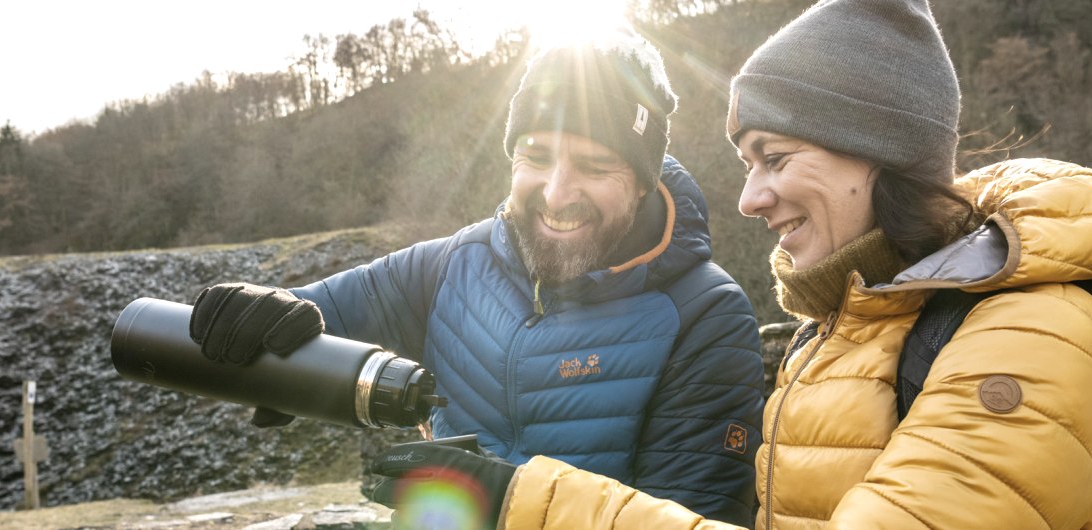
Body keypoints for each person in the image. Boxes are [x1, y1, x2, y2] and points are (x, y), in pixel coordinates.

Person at [365, 0, 1092, 529]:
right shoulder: (851, 330)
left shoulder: (1031, 342)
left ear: (876, 151)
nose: (750, 198)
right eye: (747, 165)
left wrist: (521, 504)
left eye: (774, 159)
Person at [187, 35, 767, 525]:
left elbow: (691, 518)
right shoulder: (448, 265)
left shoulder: (705, 316)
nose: (558, 193)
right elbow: (313, 316)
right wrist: (262, 314)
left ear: (642, 182)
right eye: (536, 157)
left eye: (593, 166)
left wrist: (504, 503)